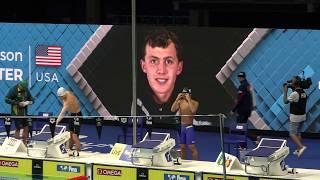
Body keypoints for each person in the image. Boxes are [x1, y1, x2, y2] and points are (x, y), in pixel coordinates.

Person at [135, 28, 183, 126]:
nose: (161, 70)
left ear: (179, 67)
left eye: (168, 61)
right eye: (153, 61)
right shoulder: (127, 110)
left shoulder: (200, 116)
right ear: (143, 66)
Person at [171, 87, 199, 160]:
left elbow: (193, 111)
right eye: (183, 93)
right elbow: (172, 109)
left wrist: (189, 99)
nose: (184, 95)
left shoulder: (195, 103)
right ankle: (184, 163)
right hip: (181, 127)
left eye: (185, 94)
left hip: (189, 127)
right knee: (182, 147)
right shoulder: (180, 102)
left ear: (190, 94)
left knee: (192, 147)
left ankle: (196, 164)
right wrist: (177, 99)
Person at [283, 76, 307, 157]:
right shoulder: (303, 92)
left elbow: (285, 101)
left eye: (292, 81)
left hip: (295, 117)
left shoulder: (294, 94)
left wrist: (285, 91)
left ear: (294, 84)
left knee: (292, 134)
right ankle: (298, 150)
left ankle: (301, 146)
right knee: (298, 133)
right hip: (303, 116)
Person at [230, 72, 255, 148]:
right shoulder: (248, 85)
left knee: (240, 127)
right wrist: (250, 109)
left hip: (242, 110)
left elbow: (240, 100)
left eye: (240, 77)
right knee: (242, 127)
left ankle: (253, 139)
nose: (239, 78)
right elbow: (250, 98)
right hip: (247, 110)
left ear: (241, 78)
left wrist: (233, 110)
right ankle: (243, 144)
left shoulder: (242, 86)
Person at [5, 80, 33, 145]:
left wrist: (28, 102)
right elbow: (6, 99)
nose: (23, 89)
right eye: (22, 88)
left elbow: (32, 99)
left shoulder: (26, 90)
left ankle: (24, 144)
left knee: (26, 127)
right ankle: (17, 145)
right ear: (19, 85)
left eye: (24, 88)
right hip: (16, 113)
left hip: (24, 113)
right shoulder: (13, 90)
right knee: (18, 128)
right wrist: (17, 103)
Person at [56, 87, 82, 157]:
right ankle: (70, 150)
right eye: (59, 97)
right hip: (72, 114)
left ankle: (79, 152)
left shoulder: (67, 102)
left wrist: (56, 122)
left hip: (77, 116)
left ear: (64, 94)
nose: (60, 98)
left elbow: (62, 114)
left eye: (61, 96)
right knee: (70, 134)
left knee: (75, 136)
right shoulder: (67, 92)